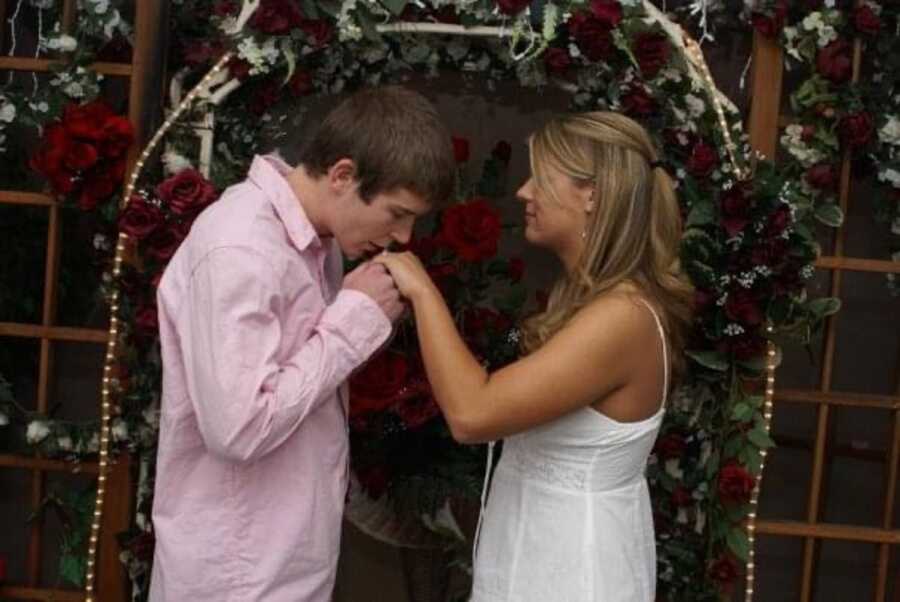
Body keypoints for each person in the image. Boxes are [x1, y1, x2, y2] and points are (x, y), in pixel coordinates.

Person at [148, 86, 454, 602]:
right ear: (342, 175)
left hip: (283, 562)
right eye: (397, 213)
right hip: (236, 577)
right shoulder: (241, 247)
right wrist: (351, 325)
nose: (404, 236)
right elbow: (238, 429)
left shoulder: (319, 245)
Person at [375, 111, 694, 601]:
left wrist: (422, 291)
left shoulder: (622, 316)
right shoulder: (589, 301)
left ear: (593, 195)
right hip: (533, 547)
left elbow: (472, 414)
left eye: (540, 178)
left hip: (573, 568)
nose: (523, 192)